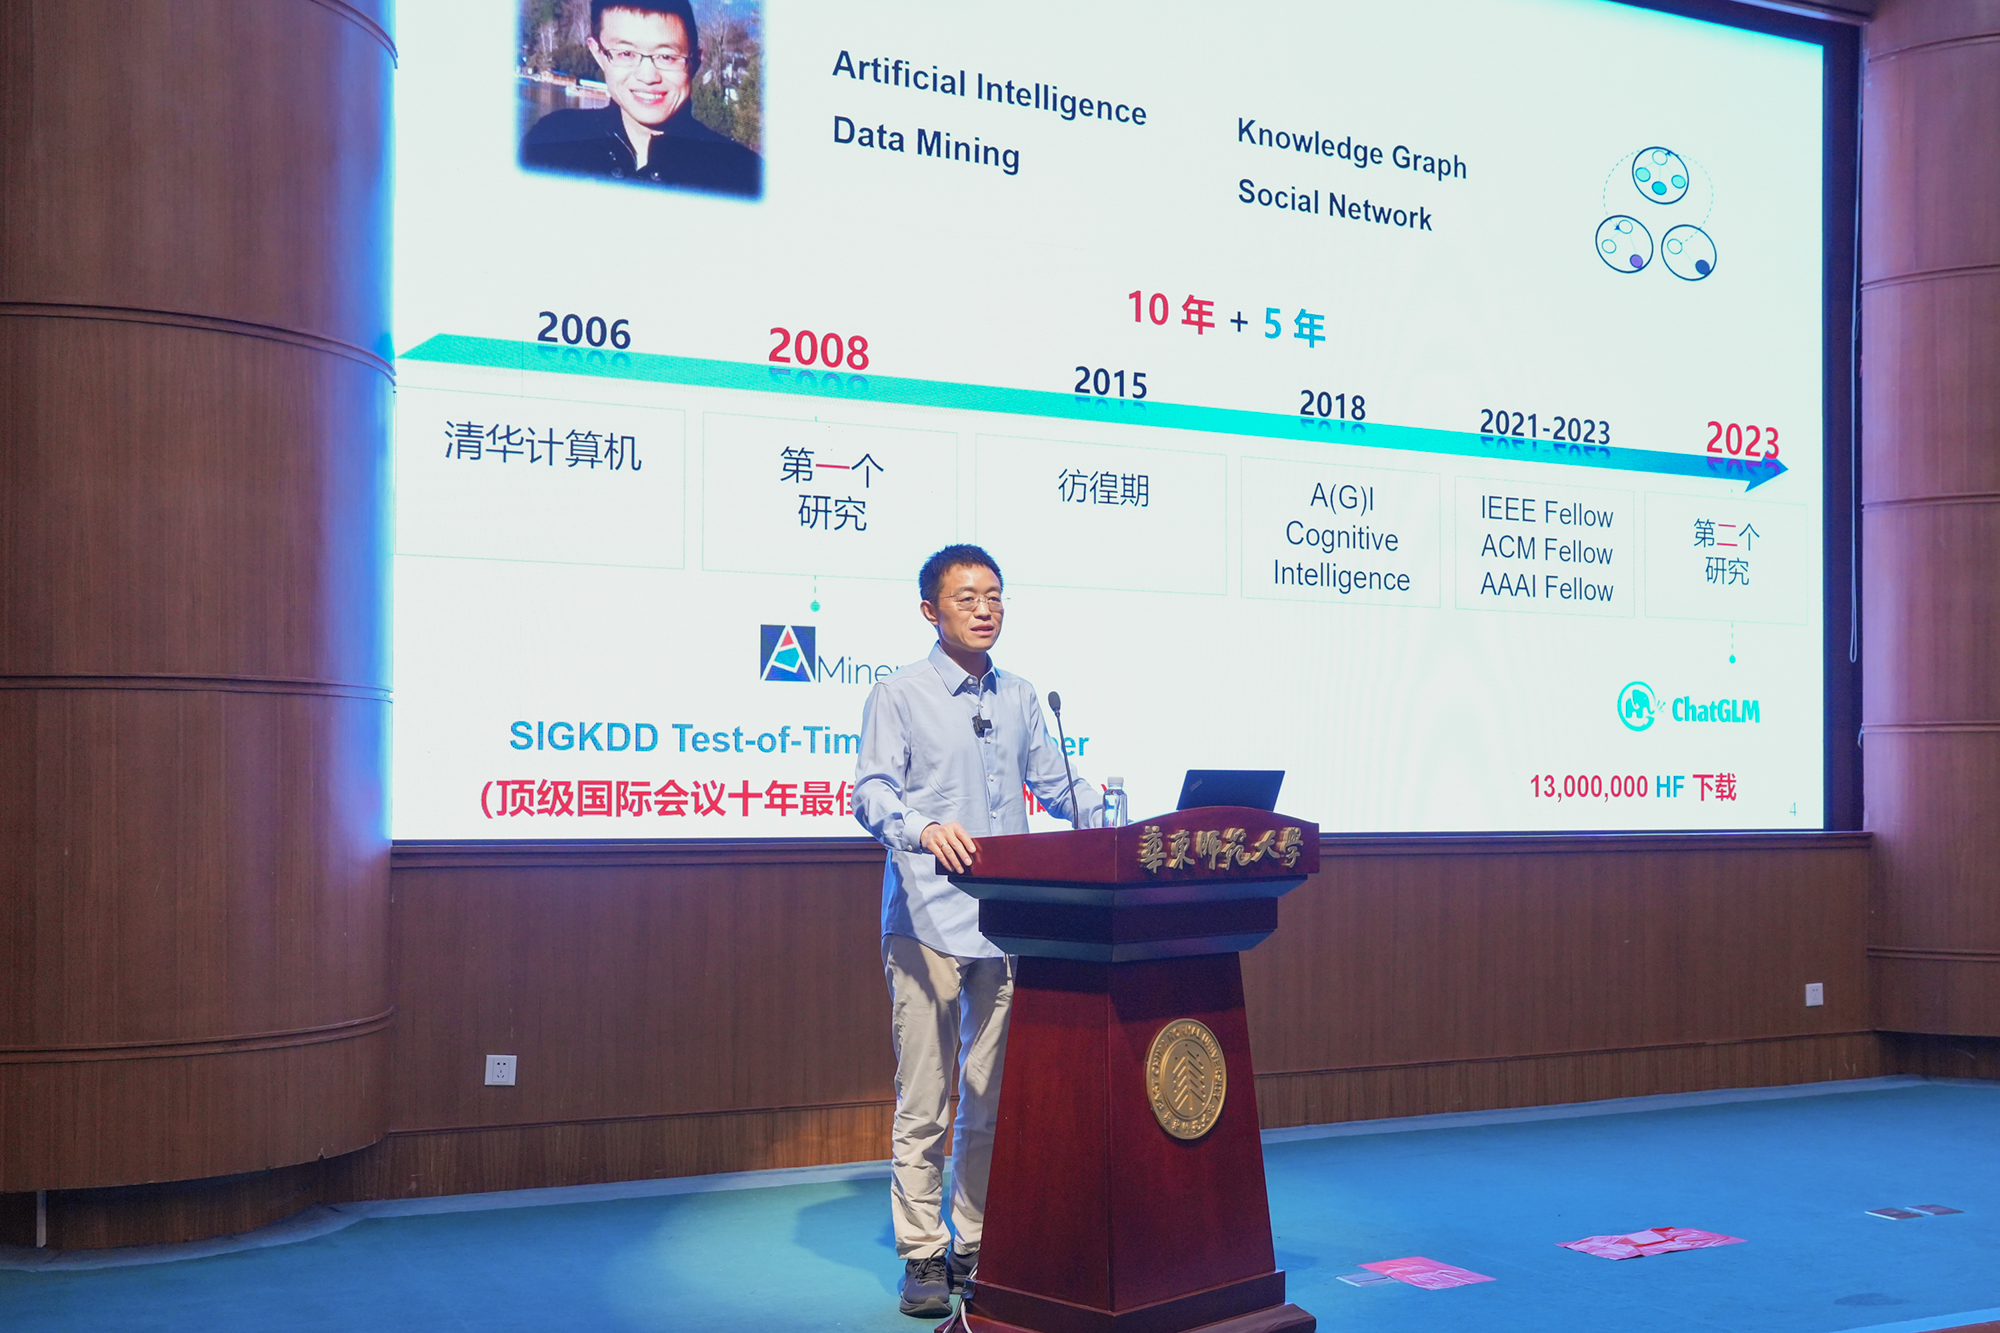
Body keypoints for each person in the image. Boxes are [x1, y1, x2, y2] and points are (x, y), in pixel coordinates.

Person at [854, 544, 1104, 1319]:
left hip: (1005, 922)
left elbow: (1060, 786)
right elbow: (870, 792)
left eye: (994, 595)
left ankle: (974, 1239)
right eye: (967, 597)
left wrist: (1122, 822)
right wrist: (923, 828)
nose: (985, 608)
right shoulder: (898, 693)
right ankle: (922, 1252)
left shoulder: (1022, 695)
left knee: (991, 1094)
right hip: (926, 920)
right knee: (926, 1098)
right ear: (931, 610)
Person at [521, 0, 761, 197]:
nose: (647, 77)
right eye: (626, 53)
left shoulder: (745, 176)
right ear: (598, 54)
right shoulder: (551, 142)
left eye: (667, 56)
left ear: (696, 61)